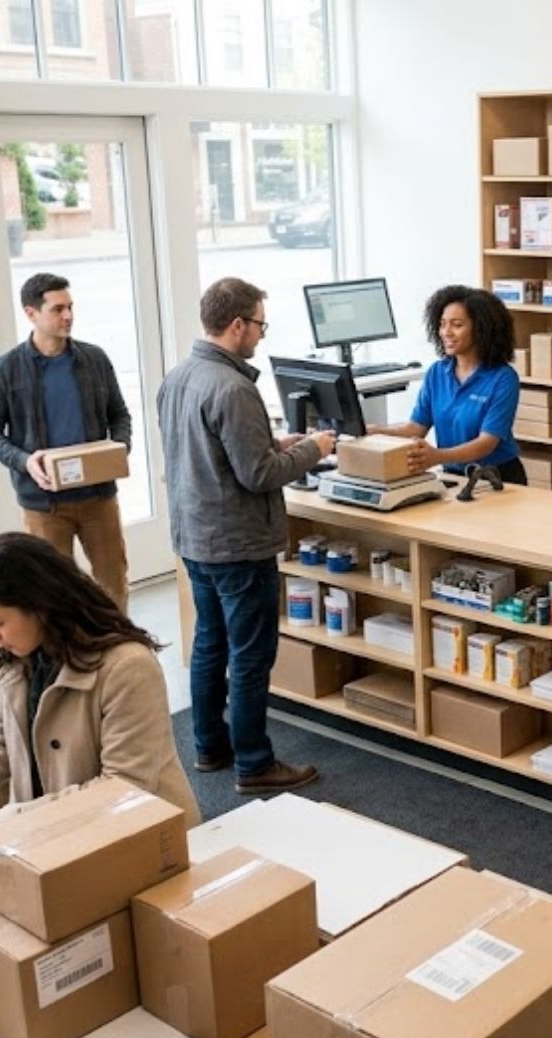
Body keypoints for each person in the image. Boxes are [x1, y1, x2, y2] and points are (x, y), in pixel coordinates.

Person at [0, 532, 199, 871]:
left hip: (141, 844)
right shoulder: (20, 656)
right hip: (48, 842)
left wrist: (5, 825)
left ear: (41, 607)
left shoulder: (128, 668)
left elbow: (122, 788)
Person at [157, 276, 332, 795]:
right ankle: (254, 762)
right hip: (238, 543)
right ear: (237, 325)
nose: (260, 335)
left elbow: (208, 450)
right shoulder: (234, 387)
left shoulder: (181, 376)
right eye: (259, 324)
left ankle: (210, 747)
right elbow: (258, 475)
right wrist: (314, 449)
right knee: (251, 655)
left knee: (209, 642)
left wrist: (274, 441)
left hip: (194, 536)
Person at [0, 272, 134, 608]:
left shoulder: (94, 360)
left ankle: (119, 653)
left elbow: (119, 415)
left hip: (99, 498)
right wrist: (24, 461)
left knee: (113, 583)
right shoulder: (5, 370)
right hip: (43, 503)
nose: (68, 316)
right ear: (31, 313)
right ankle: (65, 657)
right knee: (52, 592)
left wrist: (118, 450)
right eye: (58, 309)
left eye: (71, 307)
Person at [366, 285, 525, 482]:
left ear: (482, 329)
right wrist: (375, 431)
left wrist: (437, 456)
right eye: (442, 324)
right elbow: (415, 429)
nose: (446, 332)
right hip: (454, 475)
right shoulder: (437, 372)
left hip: (498, 477)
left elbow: (487, 443)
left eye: (456, 325)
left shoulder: (503, 378)